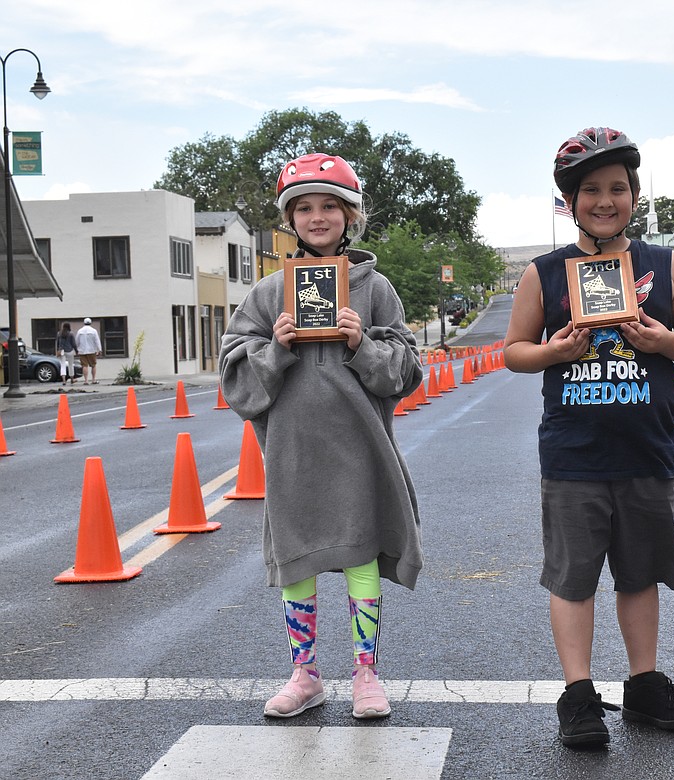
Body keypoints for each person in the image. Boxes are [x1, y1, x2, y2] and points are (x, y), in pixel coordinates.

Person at [504, 127, 674, 748]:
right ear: (568, 201)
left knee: (639, 573)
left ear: (635, 195)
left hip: (646, 450)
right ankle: (578, 695)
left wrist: (663, 341)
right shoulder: (544, 273)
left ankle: (644, 685)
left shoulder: (663, 264)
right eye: (590, 190)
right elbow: (514, 352)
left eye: (618, 188)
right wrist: (553, 351)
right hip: (573, 453)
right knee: (573, 577)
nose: (605, 200)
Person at [219, 152, 424, 720]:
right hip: (293, 451)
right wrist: (275, 349)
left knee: (361, 555)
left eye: (329, 206)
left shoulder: (375, 288)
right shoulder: (267, 294)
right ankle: (305, 673)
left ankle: (365, 673)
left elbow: (407, 370)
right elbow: (234, 373)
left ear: (350, 215)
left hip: (360, 448)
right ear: (289, 220)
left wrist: (364, 345)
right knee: (299, 561)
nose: (317, 217)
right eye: (303, 208)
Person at [75, 318, 102, 385]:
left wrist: (77, 349)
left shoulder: (80, 331)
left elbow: (77, 341)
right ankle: (93, 380)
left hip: (82, 351)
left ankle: (86, 381)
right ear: (90, 323)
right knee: (93, 365)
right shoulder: (93, 331)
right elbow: (97, 341)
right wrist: (99, 349)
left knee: (84, 365)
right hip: (92, 350)